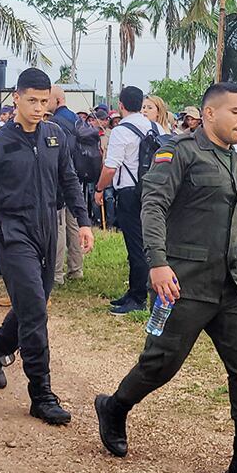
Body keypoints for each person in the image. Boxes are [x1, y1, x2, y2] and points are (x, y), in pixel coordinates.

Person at [94, 82, 237, 473]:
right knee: (161, 363)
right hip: (184, 283)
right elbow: (154, 205)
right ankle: (115, 407)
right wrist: (157, 264)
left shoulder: (235, 158)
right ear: (210, 113)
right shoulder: (178, 152)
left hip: (231, 284)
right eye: (236, 111)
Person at [0, 68, 93, 424]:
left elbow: (68, 179)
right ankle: (42, 394)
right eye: (31, 100)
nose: (38, 108)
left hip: (47, 229)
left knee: (28, 306)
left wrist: (83, 222)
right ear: (16, 98)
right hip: (11, 230)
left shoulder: (54, 136)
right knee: (36, 309)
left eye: (43, 101)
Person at [94, 86, 152, 315]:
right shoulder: (151, 125)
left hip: (128, 192)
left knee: (135, 245)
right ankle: (134, 291)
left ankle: (138, 298)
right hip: (148, 190)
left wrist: (99, 189)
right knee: (138, 243)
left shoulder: (121, 131)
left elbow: (110, 168)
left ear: (121, 105)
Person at [48, 85, 87, 287]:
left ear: (57, 100)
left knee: (59, 226)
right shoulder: (76, 119)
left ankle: (56, 274)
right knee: (74, 224)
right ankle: (76, 268)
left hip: (61, 180)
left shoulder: (54, 123)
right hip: (77, 179)